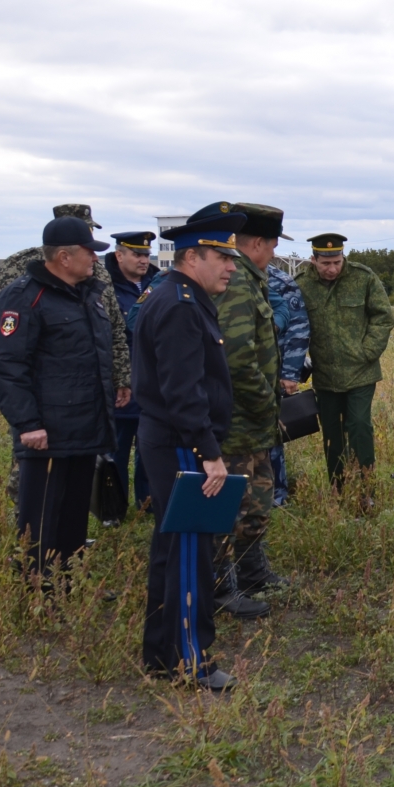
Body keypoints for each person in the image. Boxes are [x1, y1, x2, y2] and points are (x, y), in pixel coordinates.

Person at [134, 206, 262, 690]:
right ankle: (188, 659)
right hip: (183, 446)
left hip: (173, 440)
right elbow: (183, 390)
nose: (232, 266)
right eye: (222, 257)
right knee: (190, 553)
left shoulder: (176, 295)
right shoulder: (181, 306)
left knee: (172, 550)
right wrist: (210, 454)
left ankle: (161, 653)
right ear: (192, 257)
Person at [0, 216, 121, 588]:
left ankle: (69, 583)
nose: (95, 260)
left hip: (84, 427)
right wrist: (28, 424)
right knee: (41, 519)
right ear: (64, 257)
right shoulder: (25, 296)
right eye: (89, 253)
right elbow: (8, 366)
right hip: (46, 432)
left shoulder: (87, 295)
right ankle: (37, 590)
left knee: (74, 515)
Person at [213, 203, 292, 604]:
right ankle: (220, 586)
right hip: (240, 417)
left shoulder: (250, 277)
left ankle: (252, 572)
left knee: (257, 500)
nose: (276, 252)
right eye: (274, 244)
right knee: (230, 503)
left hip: (254, 418)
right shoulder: (239, 283)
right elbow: (237, 357)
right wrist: (265, 401)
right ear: (258, 243)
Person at [296, 234, 394, 487]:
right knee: (332, 432)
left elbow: (383, 317)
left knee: (360, 425)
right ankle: (339, 487)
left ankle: (366, 485)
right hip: (325, 375)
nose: (332, 269)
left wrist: (367, 352)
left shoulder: (363, 278)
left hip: (361, 372)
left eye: (337, 262)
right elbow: (294, 326)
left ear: (343, 257)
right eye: (325, 264)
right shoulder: (301, 285)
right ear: (313, 260)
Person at [107, 230, 159, 512]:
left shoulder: (156, 283)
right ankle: (113, 509)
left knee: (148, 450)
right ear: (119, 255)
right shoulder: (106, 286)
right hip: (120, 384)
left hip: (150, 382)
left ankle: (147, 503)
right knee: (116, 451)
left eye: (146, 255)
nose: (143, 260)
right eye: (137, 254)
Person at [266, 256, 310, 506]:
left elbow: (298, 327)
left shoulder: (279, 282)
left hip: (273, 370)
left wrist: (290, 372)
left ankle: (276, 494)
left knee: (272, 434)